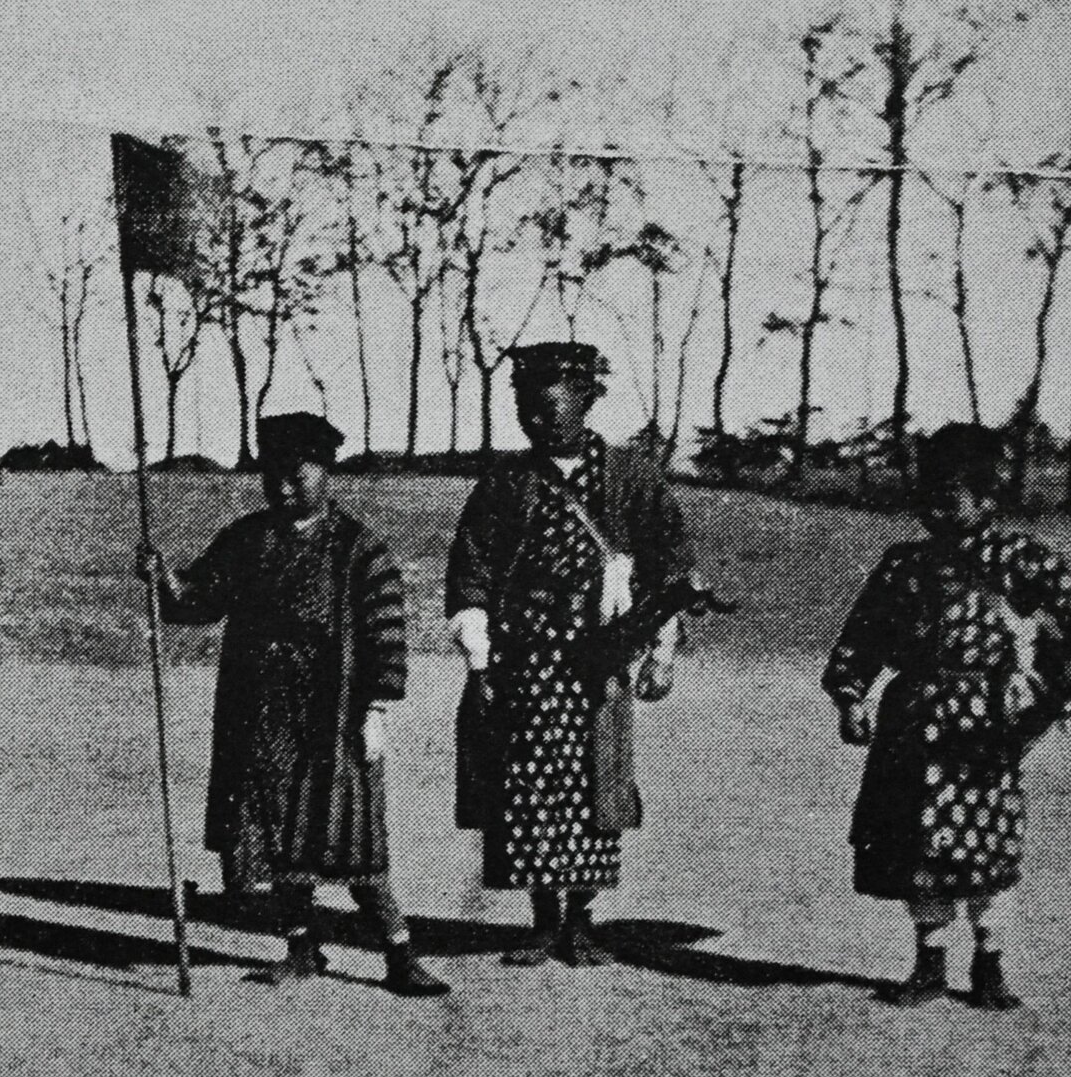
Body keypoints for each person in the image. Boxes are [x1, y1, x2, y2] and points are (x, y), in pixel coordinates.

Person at [137, 411, 446, 996]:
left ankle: (399, 955)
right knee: (277, 836)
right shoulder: (247, 539)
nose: (282, 487)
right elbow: (200, 599)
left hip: (334, 716)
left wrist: (375, 708)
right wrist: (164, 582)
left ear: (324, 472)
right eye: (272, 475)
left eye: (297, 475)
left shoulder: (360, 549)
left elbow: (386, 631)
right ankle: (302, 948)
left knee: (352, 840)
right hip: (259, 712)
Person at [445, 342, 693, 966]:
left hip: (599, 654)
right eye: (527, 407)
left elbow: (671, 559)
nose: (539, 417)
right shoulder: (505, 483)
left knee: (591, 782)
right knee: (527, 781)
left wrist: (660, 644)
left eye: (551, 404)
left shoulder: (632, 478)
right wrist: (480, 654)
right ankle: (541, 919)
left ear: (587, 400)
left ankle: (581, 921)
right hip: (524, 655)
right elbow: (471, 567)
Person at [824, 423, 1071, 1009]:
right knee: (917, 846)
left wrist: (1043, 699)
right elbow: (865, 634)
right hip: (911, 719)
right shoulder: (903, 564)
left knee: (982, 842)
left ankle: (990, 964)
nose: (937, 506)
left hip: (983, 725)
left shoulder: (1026, 562)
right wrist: (852, 694)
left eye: (952, 494)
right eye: (929, 493)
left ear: (988, 499)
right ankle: (928, 961)